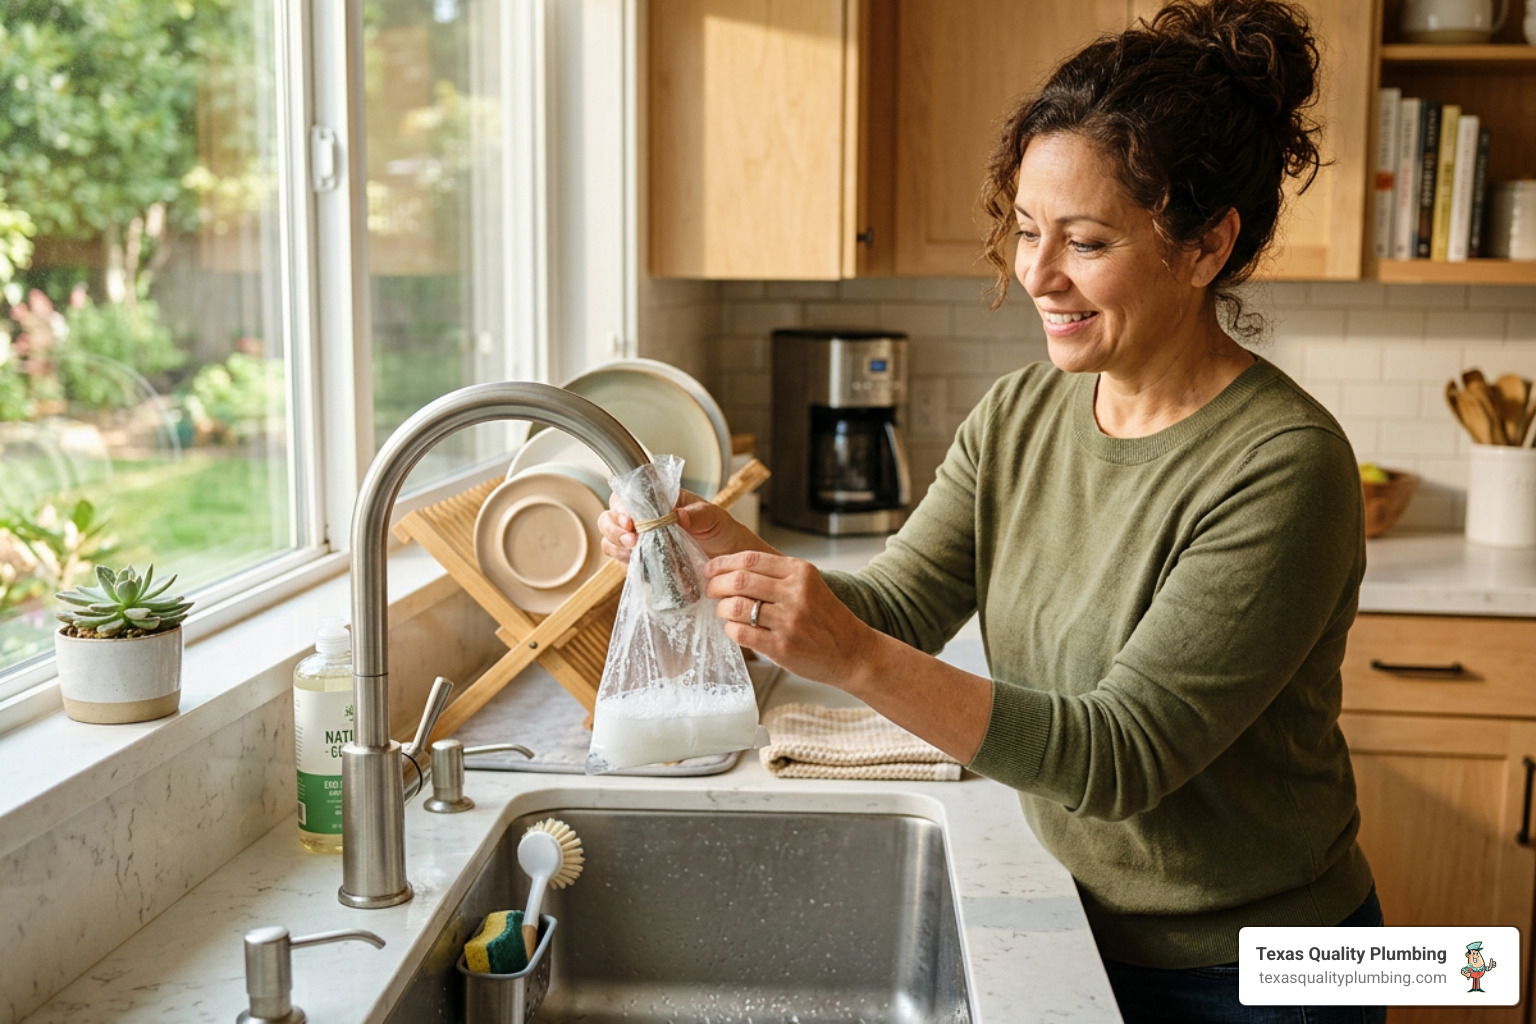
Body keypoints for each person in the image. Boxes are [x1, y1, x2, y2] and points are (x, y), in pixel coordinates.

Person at [602, 1, 1384, 1020]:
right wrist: (715, 551)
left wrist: (853, 659)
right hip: (1077, 917)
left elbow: (1118, 757)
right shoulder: (1023, 412)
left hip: (1270, 968)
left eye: (1087, 240)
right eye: (1025, 230)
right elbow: (898, 603)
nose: (1037, 274)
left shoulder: (1284, 468)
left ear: (1204, 246)